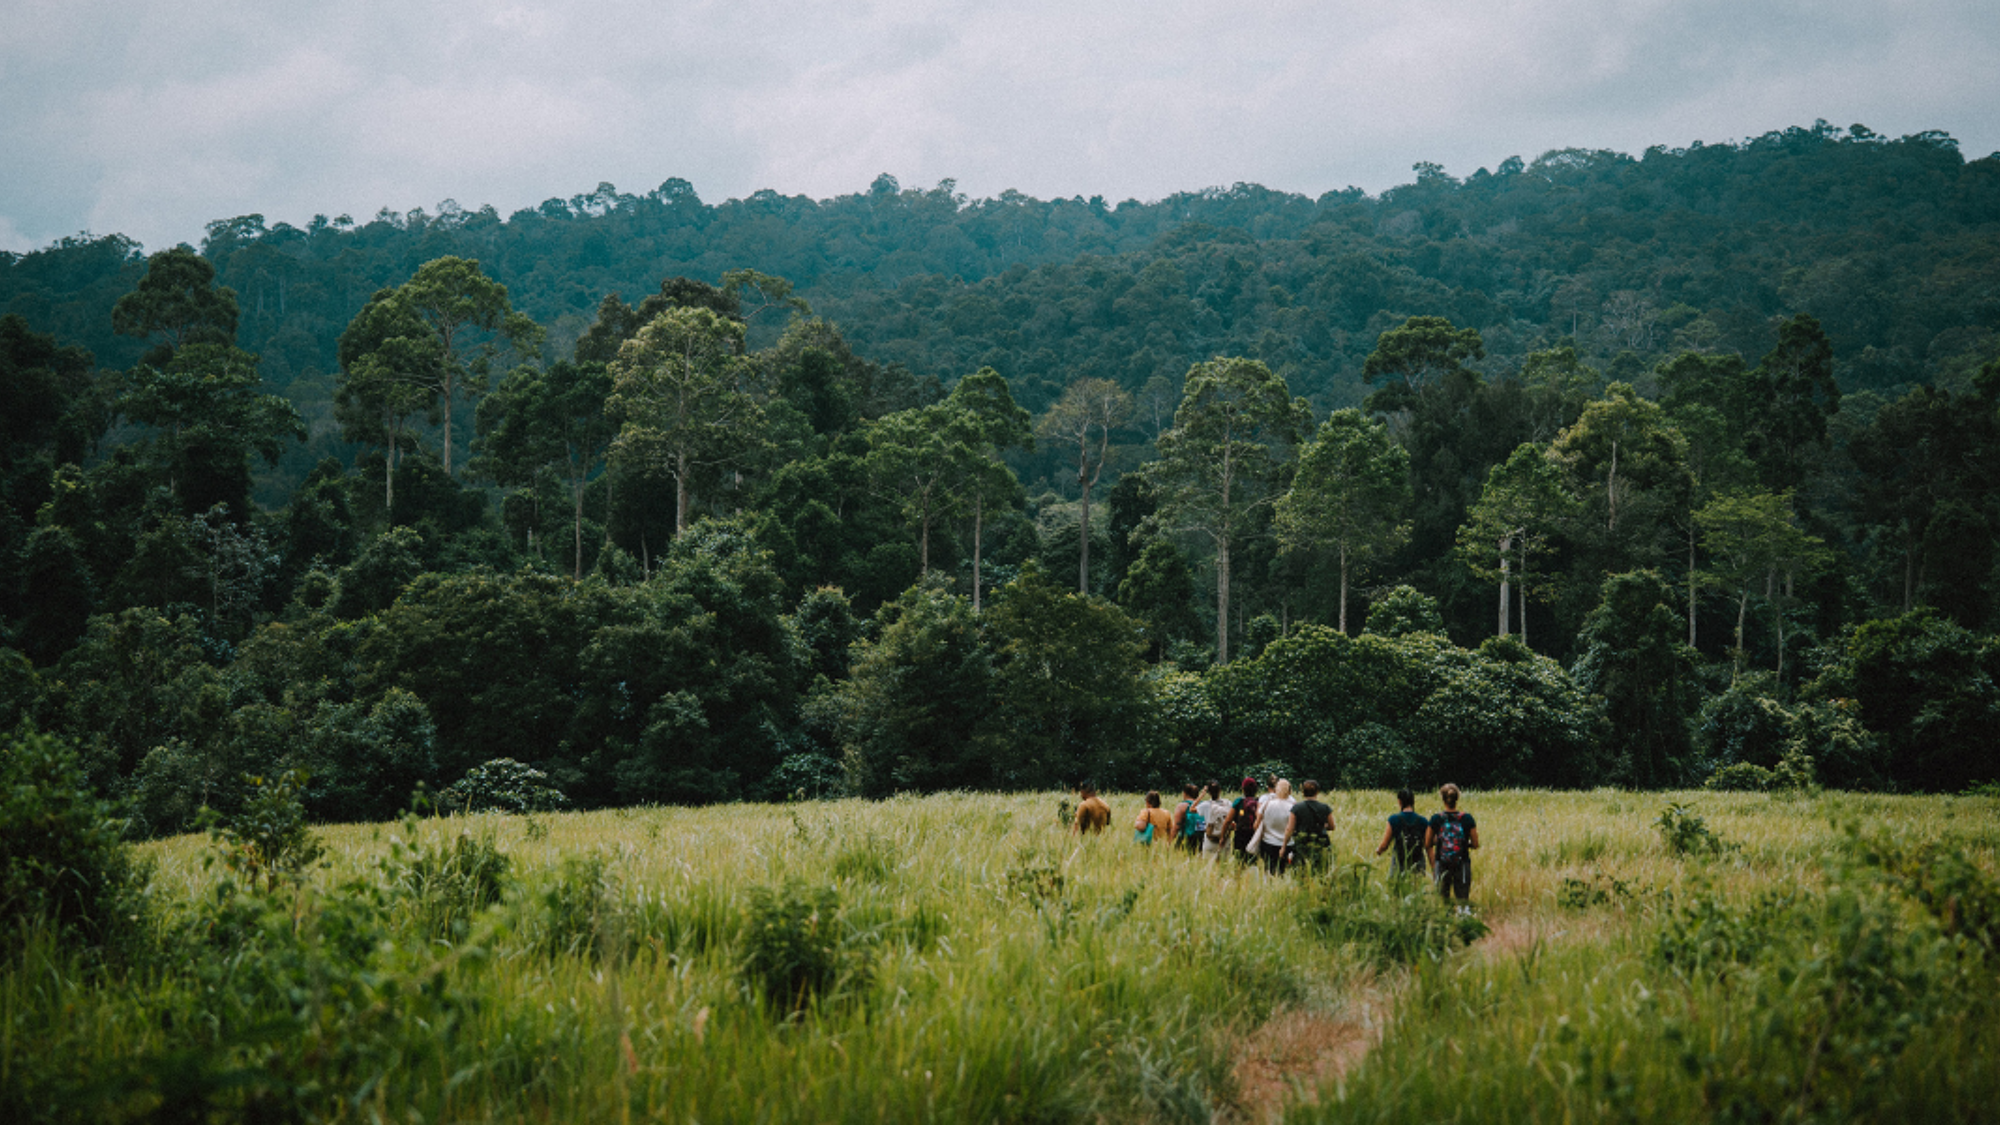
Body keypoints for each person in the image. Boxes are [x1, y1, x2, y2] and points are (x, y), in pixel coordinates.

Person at [1425, 783, 1480, 903]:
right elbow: (1476, 844)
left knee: (1443, 901)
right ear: (1457, 798)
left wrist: (1439, 841)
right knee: (1462, 900)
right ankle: (1464, 919)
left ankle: (1445, 921)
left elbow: (1427, 843)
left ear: (1442, 798)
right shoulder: (1467, 818)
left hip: (1442, 863)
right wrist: (1464, 844)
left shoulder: (1436, 819)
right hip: (1462, 863)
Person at [1375, 788, 1430, 879]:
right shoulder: (1423, 821)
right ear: (1413, 802)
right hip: (1417, 862)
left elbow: (1385, 844)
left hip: (1399, 863)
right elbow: (1429, 843)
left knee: (1397, 890)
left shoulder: (1393, 819)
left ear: (1399, 802)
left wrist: (1378, 851)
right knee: (1416, 889)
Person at [1284, 779, 1334, 871]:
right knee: (1321, 870)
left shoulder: (1296, 808)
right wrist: (1324, 826)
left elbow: (1290, 829)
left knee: (1301, 870)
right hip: (1321, 843)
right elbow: (1332, 826)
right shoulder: (1325, 807)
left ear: (1303, 792)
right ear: (1317, 792)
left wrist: (1284, 847)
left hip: (1302, 844)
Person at [1249, 779, 1295, 874]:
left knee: (1268, 871)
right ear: (1290, 791)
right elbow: (1291, 828)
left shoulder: (1267, 804)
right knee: (1284, 872)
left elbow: (1256, 825)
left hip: (1268, 842)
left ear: (1276, 790)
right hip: (1287, 844)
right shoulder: (1293, 806)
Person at [1220, 778, 1262, 864]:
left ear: (1243, 789)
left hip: (1241, 835)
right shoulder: (1259, 802)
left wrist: (1222, 837)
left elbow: (1228, 820)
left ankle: (1239, 876)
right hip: (1255, 835)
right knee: (1253, 862)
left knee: (1240, 862)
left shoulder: (1238, 802)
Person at [1196, 781, 1231, 858]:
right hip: (1224, 840)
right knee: (1223, 866)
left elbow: (1192, 808)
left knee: (1208, 867)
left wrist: (1202, 795)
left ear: (1209, 793)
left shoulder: (1205, 805)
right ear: (1220, 790)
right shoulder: (1228, 803)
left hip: (1210, 840)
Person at [1170, 783, 1206, 854]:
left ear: (1185, 793)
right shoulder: (1204, 805)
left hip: (1187, 838)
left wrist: (1169, 841)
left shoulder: (1182, 806)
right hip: (1203, 838)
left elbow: (1176, 827)